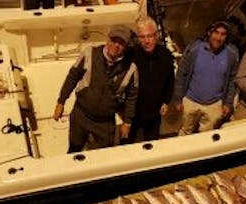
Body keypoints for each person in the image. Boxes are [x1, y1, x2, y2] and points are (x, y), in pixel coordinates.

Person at [53, 25, 138, 153]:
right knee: (74, 148)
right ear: (107, 40)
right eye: (114, 40)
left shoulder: (131, 69)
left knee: (103, 155)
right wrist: (61, 101)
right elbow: (72, 77)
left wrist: (127, 122)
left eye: (121, 43)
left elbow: (132, 97)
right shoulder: (89, 53)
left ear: (126, 47)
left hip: (105, 122)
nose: (116, 45)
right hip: (81, 115)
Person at [172, 19, 239, 135]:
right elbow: (181, 74)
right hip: (190, 101)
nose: (218, 37)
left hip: (214, 105)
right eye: (216, 32)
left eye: (223, 34)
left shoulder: (231, 54)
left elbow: (232, 80)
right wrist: (178, 99)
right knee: (185, 131)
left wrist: (227, 103)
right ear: (209, 33)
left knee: (205, 135)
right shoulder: (194, 49)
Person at [127, 16, 174, 142]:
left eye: (150, 36)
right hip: (133, 113)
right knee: (127, 143)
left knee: (152, 144)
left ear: (156, 36)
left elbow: (170, 80)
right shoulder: (131, 55)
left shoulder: (166, 55)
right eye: (142, 37)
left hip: (155, 112)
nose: (146, 41)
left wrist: (166, 101)